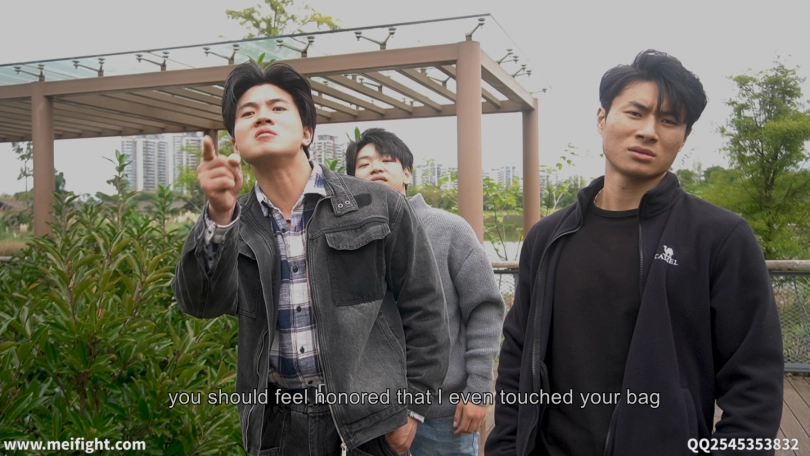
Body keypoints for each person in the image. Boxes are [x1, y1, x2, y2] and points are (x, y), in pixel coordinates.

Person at [486, 50, 784, 456]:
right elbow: (517, 356)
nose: (648, 131)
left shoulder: (718, 237)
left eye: (669, 121)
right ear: (602, 118)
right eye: (635, 113)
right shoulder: (548, 237)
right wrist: (505, 447)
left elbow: (755, 382)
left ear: (684, 136)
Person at [172, 62, 449, 456]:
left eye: (277, 107)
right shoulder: (236, 220)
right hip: (277, 428)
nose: (262, 116)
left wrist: (414, 407)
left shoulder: (378, 205)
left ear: (307, 132)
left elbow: (425, 308)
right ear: (235, 142)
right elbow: (200, 303)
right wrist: (218, 216)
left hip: (370, 424)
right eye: (247, 113)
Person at [346, 128, 505, 456]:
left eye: (387, 160)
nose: (376, 168)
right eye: (364, 164)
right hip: (372, 415)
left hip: (443, 415)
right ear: (351, 180)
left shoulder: (449, 230)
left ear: (407, 173)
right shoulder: (347, 241)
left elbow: (485, 310)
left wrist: (478, 390)